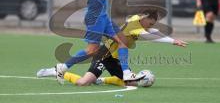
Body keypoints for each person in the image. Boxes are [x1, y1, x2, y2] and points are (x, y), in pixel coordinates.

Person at [55, 0, 144, 84]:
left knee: (122, 40)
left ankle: (126, 73)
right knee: (92, 50)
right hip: (95, 16)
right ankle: (62, 67)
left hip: (102, 15)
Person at [37, 10, 187, 87]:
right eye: (151, 22)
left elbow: (152, 32)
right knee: (83, 83)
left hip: (114, 59)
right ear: (144, 18)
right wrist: (172, 42)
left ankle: (102, 80)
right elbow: (151, 36)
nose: (151, 26)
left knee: (133, 83)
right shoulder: (136, 27)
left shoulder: (136, 19)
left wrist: (173, 40)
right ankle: (59, 72)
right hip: (103, 55)